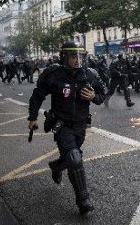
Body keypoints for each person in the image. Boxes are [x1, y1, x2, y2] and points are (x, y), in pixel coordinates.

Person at [27, 41, 106, 214]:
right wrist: (32, 117)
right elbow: (38, 94)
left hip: (81, 126)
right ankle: (83, 200)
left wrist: (94, 96)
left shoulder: (90, 74)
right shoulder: (53, 74)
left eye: (80, 56)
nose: (77, 60)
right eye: (72, 56)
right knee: (74, 158)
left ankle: (56, 167)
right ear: (64, 57)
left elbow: (102, 95)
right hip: (61, 125)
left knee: (73, 156)